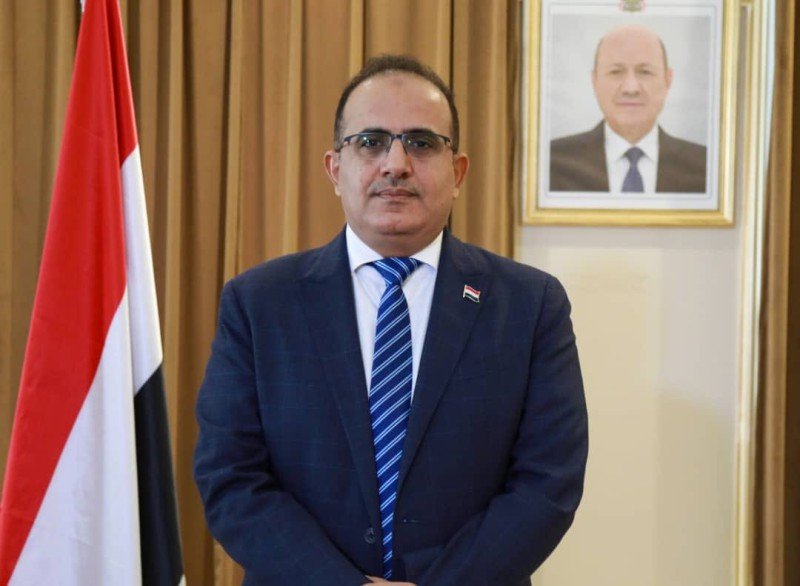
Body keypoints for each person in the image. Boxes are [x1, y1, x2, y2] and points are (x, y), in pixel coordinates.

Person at [194, 54, 588, 586]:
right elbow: (231, 478)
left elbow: (548, 482)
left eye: (421, 143)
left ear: (458, 172)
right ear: (335, 169)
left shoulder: (530, 305)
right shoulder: (259, 304)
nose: (395, 164)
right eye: (370, 142)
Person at [550, 24, 707, 193]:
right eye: (615, 72)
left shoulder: (706, 166)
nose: (631, 88)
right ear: (594, 80)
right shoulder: (550, 162)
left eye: (645, 72)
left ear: (668, 80)